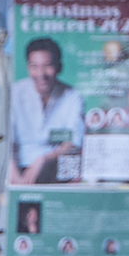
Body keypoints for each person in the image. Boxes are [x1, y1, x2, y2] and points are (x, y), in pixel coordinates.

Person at [8, 36, 86, 184]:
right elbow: (5, 141)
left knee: (76, 166)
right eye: (34, 66)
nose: (40, 74)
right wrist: (16, 179)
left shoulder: (72, 96)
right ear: (27, 67)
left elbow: (75, 140)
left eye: (47, 66)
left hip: (54, 163)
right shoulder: (14, 93)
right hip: (18, 166)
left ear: (59, 67)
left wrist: (43, 159)